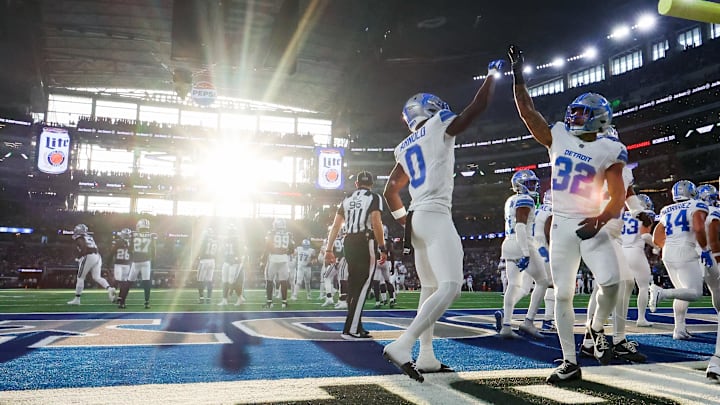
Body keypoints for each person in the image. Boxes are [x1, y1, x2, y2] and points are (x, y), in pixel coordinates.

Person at [509, 44, 627, 383]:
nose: (572, 116)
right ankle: (569, 361)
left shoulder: (610, 149)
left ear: (598, 118)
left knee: (612, 282)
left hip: (591, 222)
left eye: (579, 113)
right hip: (561, 225)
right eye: (572, 112)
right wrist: (518, 77)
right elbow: (528, 113)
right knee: (561, 294)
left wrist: (601, 219)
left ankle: (594, 327)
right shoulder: (558, 135)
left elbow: (617, 196)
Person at [382, 58, 504, 382]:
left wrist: (402, 220)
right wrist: (492, 77)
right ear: (429, 109)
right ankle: (403, 344)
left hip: (416, 217)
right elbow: (474, 111)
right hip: (435, 215)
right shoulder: (438, 125)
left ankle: (426, 357)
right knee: (450, 287)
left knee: (430, 287)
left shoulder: (403, 146)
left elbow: (390, 190)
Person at [651, 180, 717, 340]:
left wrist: (670, 246)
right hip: (690, 250)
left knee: (682, 291)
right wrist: (705, 249)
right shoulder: (698, 206)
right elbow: (700, 228)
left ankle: (679, 329)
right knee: (694, 293)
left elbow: (656, 237)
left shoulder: (666, 209)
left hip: (669, 252)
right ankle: (661, 293)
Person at [325, 170, 387, 340]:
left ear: (357, 184)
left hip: (348, 242)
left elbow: (336, 226)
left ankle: (356, 326)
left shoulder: (347, 198)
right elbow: (376, 222)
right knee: (365, 284)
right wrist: (383, 247)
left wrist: (328, 249)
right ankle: (351, 328)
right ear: (371, 184)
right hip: (364, 241)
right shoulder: (374, 197)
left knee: (353, 285)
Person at [495, 169, 551, 339]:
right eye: (529, 183)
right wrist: (526, 252)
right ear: (519, 184)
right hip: (523, 242)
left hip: (508, 243)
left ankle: (506, 325)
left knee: (513, 285)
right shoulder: (525, 199)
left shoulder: (510, 200)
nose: (533, 186)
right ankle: (528, 321)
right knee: (543, 281)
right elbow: (520, 226)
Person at [620, 193, 657, 327]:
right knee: (643, 286)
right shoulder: (646, 215)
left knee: (623, 288)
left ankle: (619, 317)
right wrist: (657, 246)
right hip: (635, 251)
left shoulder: (622, 215)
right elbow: (646, 236)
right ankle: (641, 318)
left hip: (620, 251)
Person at [696, 184, 720, 382]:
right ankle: (717, 360)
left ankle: (717, 360)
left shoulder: (696, 210)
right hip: (714, 257)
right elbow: (713, 229)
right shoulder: (713, 212)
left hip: (700, 259)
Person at [67, 224, 116, 305]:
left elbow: (83, 247)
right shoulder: (89, 237)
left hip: (89, 256)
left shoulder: (80, 238)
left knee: (80, 277)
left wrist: (79, 257)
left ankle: (77, 299)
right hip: (97, 256)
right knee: (97, 277)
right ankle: (109, 288)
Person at [534, 191, 556, 331]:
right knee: (551, 285)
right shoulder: (551, 211)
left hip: (532, 251)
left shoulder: (537, 210)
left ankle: (506, 315)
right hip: (544, 252)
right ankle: (548, 320)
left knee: (522, 287)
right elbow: (549, 233)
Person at [263, 218, 295, 309]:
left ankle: (269, 302)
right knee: (283, 281)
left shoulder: (271, 234)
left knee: (269, 280)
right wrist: (284, 252)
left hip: (273, 258)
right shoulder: (288, 234)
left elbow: (267, 247)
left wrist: (263, 259)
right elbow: (292, 249)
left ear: (276, 225)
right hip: (284, 259)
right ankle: (284, 303)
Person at [129, 218, 156, 309]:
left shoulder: (133, 235)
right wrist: (152, 258)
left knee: (129, 281)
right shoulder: (151, 235)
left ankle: (122, 300)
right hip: (146, 261)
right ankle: (147, 302)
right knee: (147, 281)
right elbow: (153, 250)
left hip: (136, 260)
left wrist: (132, 255)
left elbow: (130, 248)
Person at [107, 228, 132, 309]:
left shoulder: (122, 242)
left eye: (127, 235)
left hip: (125, 264)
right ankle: (112, 292)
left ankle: (120, 298)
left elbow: (112, 253)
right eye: (126, 235)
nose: (126, 236)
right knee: (119, 281)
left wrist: (108, 263)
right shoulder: (123, 243)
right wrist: (108, 264)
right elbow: (112, 253)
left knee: (123, 282)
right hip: (120, 264)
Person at [219, 225, 243, 306]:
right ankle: (224, 300)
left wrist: (236, 259)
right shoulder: (225, 240)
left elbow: (241, 252)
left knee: (232, 282)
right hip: (226, 261)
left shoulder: (238, 240)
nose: (230, 233)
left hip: (235, 263)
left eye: (231, 232)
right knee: (224, 281)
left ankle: (240, 298)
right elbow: (222, 250)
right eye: (229, 232)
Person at [196, 227, 218, 304]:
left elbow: (200, 250)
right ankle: (208, 298)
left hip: (204, 260)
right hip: (212, 261)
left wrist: (198, 257)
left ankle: (201, 298)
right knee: (209, 281)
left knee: (200, 280)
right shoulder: (215, 241)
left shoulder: (204, 240)